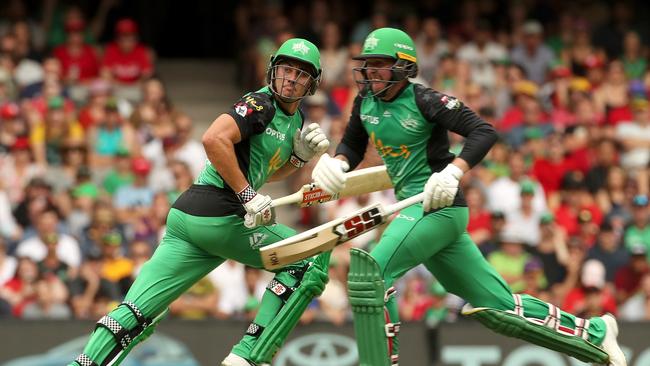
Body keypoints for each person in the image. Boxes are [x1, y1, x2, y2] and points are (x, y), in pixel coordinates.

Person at [312, 28, 626, 366]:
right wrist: (337, 163)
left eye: (379, 65)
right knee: (498, 306)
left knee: (372, 272)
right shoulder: (365, 102)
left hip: (439, 207)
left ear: (403, 67)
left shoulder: (425, 100)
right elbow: (353, 144)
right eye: (367, 65)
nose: (370, 72)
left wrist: (454, 170)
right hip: (415, 209)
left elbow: (484, 131)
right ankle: (594, 333)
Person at [68, 38, 331, 366]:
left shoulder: (295, 121)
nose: (291, 78)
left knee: (138, 313)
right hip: (218, 212)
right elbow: (213, 139)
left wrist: (298, 159)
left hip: (190, 217)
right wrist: (246, 195)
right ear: (273, 70)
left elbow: (264, 171)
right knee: (309, 259)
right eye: (286, 69)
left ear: (312, 83)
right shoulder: (260, 104)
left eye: (300, 73)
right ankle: (248, 355)